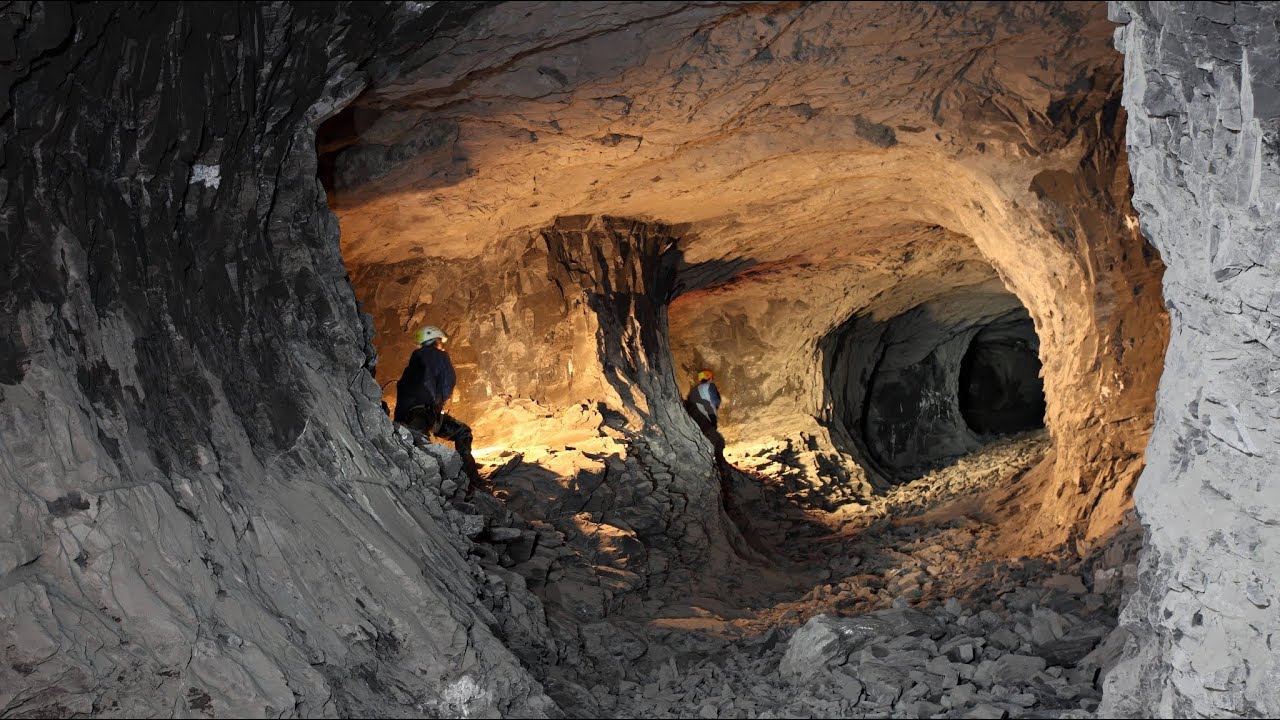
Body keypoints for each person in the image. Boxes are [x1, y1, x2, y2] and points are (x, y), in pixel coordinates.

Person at [394, 326, 487, 495]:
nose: (441, 345)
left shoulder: (413, 364)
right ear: (436, 340)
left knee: (415, 448)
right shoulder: (438, 356)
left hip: (406, 417)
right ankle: (472, 481)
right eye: (440, 341)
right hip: (425, 413)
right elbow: (447, 381)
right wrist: (439, 401)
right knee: (463, 432)